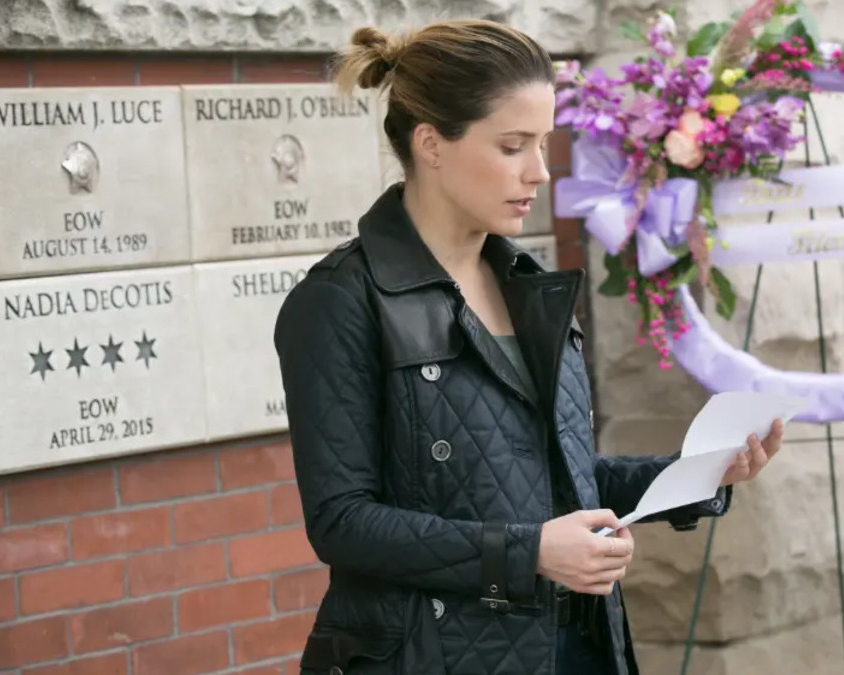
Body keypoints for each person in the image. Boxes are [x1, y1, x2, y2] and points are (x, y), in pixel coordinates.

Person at [272, 19, 786, 675]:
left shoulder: (529, 287)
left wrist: (697, 472)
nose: (540, 172)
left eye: (543, 143)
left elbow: (547, 481)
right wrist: (530, 552)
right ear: (431, 144)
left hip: (579, 645)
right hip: (434, 657)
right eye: (513, 145)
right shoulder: (341, 301)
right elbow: (342, 522)